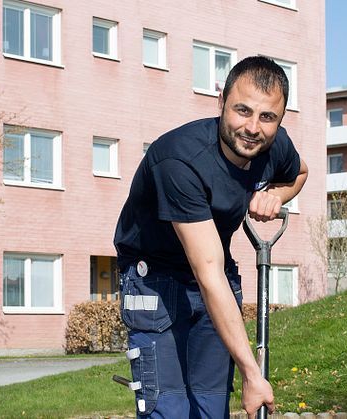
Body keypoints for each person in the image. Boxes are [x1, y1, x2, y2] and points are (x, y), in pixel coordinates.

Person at [113, 56, 308, 419]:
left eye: (268, 117)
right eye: (242, 110)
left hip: (215, 274)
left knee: (211, 406)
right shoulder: (179, 160)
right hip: (154, 282)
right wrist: (253, 374)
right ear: (221, 101)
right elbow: (208, 272)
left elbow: (300, 172)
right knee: (169, 410)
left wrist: (275, 195)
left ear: (280, 119)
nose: (252, 127)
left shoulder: (274, 144)